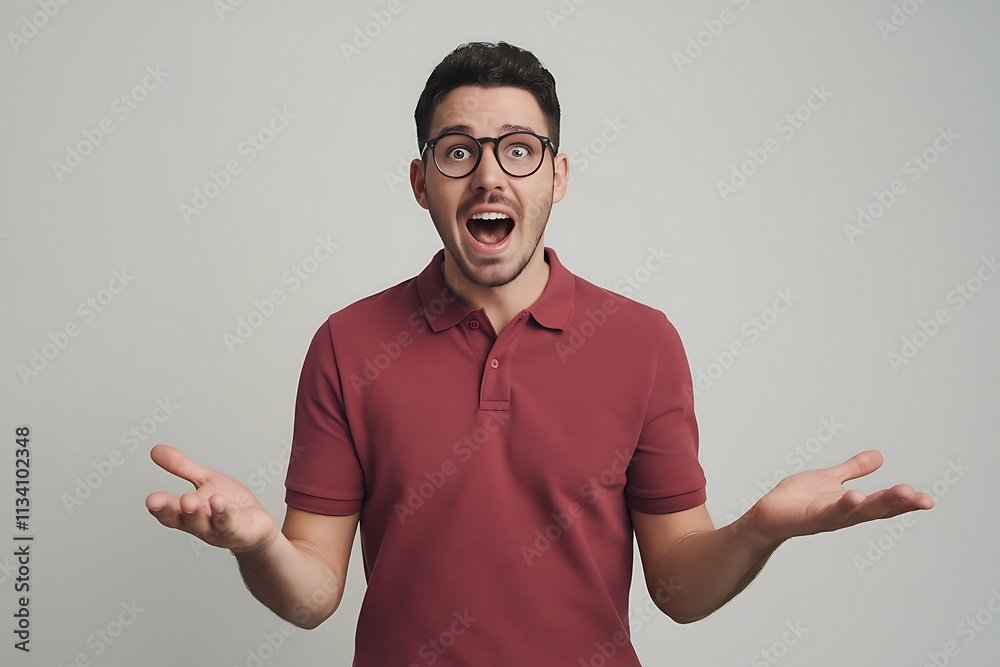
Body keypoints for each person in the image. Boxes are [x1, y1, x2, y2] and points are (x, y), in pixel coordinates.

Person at [145, 41, 935, 666]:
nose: (489, 175)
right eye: (458, 152)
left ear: (557, 176)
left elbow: (679, 588)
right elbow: (313, 592)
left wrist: (760, 528)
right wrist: (256, 546)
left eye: (518, 150)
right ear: (422, 182)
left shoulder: (642, 341)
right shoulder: (348, 344)